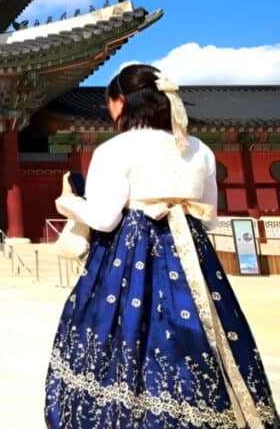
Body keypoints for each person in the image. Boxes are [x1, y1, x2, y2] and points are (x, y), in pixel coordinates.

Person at [45, 64, 278, 428]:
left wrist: (69, 202)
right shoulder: (199, 149)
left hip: (129, 254)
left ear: (120, 102)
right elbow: (211, 217)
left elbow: (106, 219)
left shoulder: (114, 149)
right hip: (193, 258)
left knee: (123, 334)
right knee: (204, 338)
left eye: (111, 103)